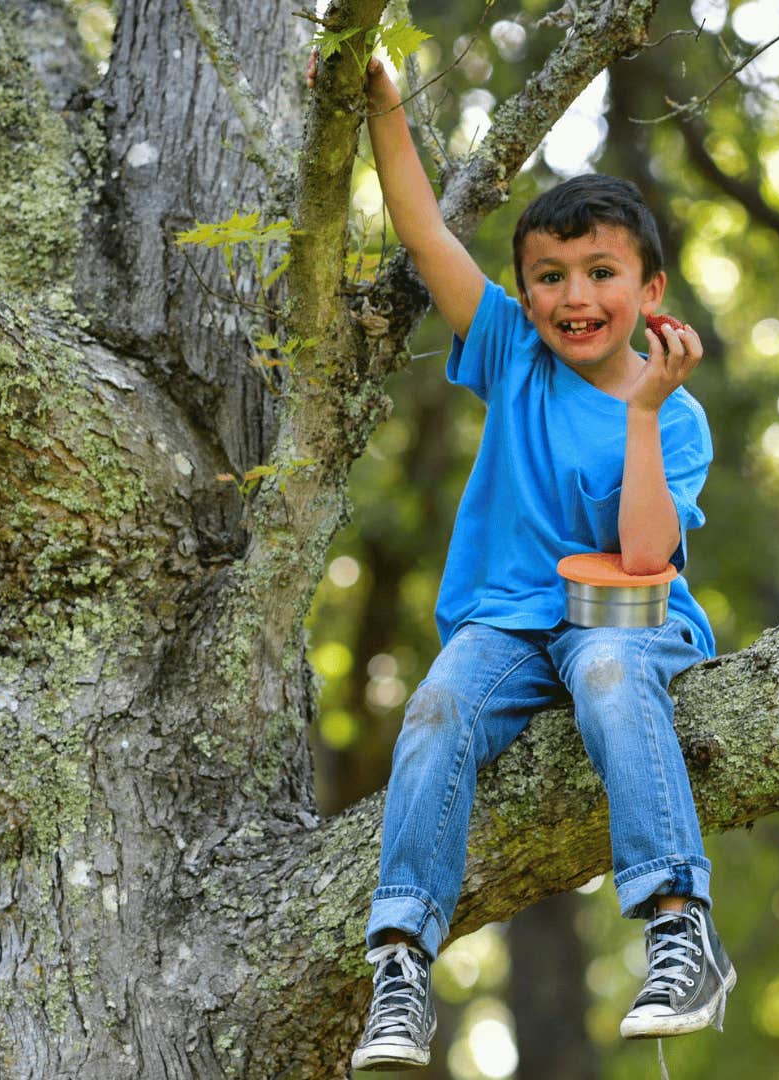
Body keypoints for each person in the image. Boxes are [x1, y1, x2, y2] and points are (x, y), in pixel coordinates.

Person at [308, 54, 736, 1071]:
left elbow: (643, 556)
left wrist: (640, 414)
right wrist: (383, 104)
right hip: (505, 624)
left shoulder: (676, 417)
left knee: (602, 667)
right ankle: (403, 960)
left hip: (626, 619)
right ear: (525, 289)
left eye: (601, 274)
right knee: (435, 712)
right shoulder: (512, 353)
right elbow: (422, 230)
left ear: (651, 289)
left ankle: (680, 926)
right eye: (551, 275)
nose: (574, 297)